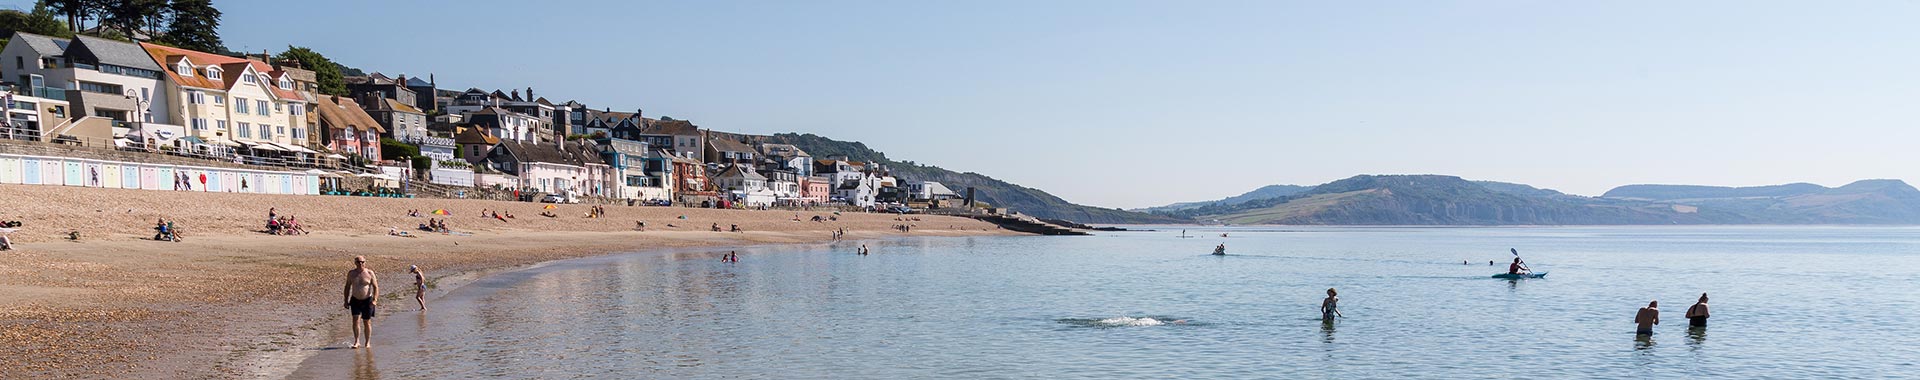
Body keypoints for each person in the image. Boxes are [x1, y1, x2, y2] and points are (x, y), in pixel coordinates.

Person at [343, 256, 380, 348]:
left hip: (367, 300)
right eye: (358, 262)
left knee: (367, 321)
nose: (361, 264)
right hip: (355, 299)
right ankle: (357, 341)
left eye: (362, 262)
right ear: (355, 263)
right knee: (355, 321)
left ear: (365, 262)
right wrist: (345, 300)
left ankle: (367, 342)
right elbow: (347, 287)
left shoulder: (369, 273)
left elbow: (375, 287)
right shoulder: (351, 273)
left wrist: (375, 300)